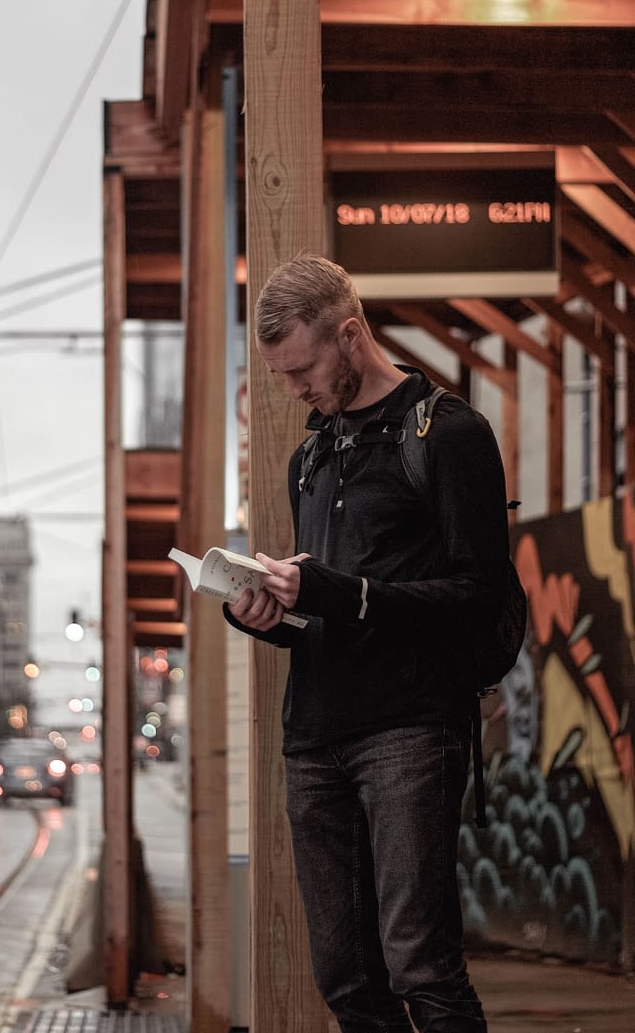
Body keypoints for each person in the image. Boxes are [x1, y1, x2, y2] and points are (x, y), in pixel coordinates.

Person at [225, 254, 510, 1032]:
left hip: (411, 731)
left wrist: (341, 593)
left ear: (350, 335)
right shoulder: (310, 458)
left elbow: (483, 594)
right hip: (314, 738)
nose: (294, 391)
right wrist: (269, 613)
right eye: (281, 376)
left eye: (302, 369)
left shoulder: (447, 435)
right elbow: (326, 614)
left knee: (421, 966)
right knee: (346, 978)